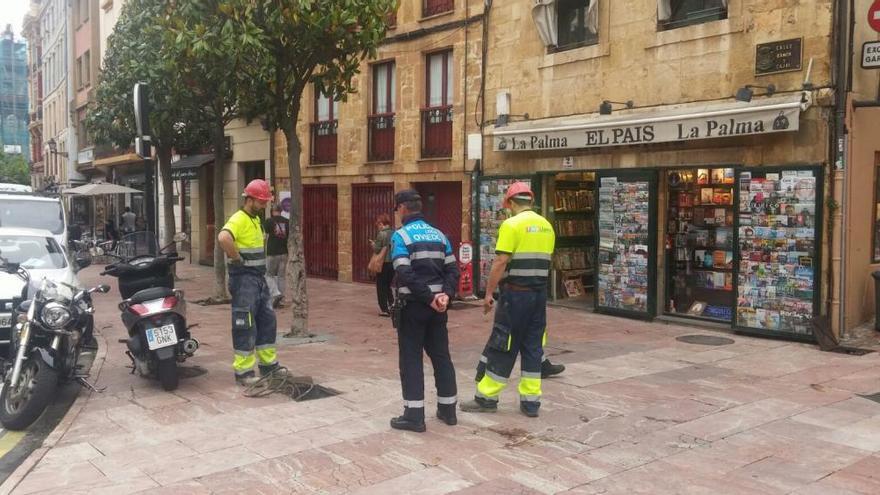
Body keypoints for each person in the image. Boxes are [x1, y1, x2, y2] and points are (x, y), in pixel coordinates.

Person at [460, 182, 555, 418]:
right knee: (533, 346)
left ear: (510, 203)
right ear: (531, 202)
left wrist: (489, 293)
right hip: (538, 295)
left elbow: (501, 262)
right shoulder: (547, 226)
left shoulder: (511, 225)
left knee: (504, 343)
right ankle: (531, 403)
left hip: (516, 295)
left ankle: (487, 398)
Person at [389, 189, 459, 432]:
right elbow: (453, 270)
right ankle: (448, 410)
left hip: (414, 307)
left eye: (397, 209)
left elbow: (404, 272)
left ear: (403, 208)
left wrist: (428, 297)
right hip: (438, 308)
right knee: (441, 356)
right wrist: (445, 296)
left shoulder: (401, 236)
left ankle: (414, 415)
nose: (397, 213)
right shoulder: (439, 235)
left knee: (411, 359)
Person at [217, 179, 282, 386]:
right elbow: (223, 237)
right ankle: (244, 371)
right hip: (244, 279)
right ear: (250, 199)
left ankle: (268, 365)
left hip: (258, 278)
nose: (264, 205)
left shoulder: (255, 219)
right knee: (244, 324)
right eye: (261, 202)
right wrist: (236, 259)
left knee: (267, 321)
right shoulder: (240, 218)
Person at [264, 205, 289, 308]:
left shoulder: (269, 221)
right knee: (281, 276)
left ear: (272, 211)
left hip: (272, 252)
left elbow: (264, 233)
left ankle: (275, 294)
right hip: (284, 252)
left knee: (268, 274)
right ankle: (281, 300)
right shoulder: (287, 221)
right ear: (281, 211)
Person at [371, 214, 394, 316]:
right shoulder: (394, 233)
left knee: (381, 286)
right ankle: (392, 305)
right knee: (388, 285)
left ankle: (384, 308)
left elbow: (377, 249)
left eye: (378, 224)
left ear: (381, 224)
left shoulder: (381, 234)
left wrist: (373, 244)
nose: (378, 226)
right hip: (392, 263)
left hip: (383, 263)